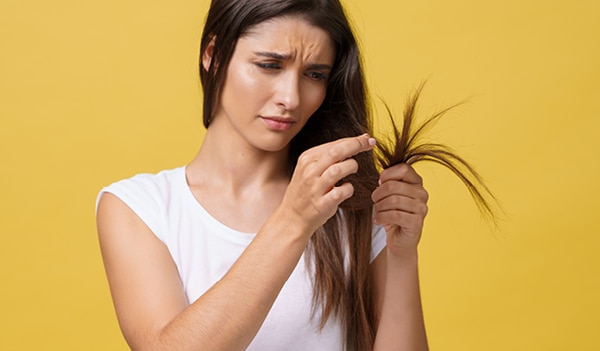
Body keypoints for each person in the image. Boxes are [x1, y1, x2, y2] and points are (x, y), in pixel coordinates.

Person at [96, 0, 430, 350]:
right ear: (214, 55)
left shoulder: (348, 200)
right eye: (269, 65)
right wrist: (294, 220)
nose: (291, 98)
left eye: (315, 74)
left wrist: (402, 255)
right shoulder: (140, 208)